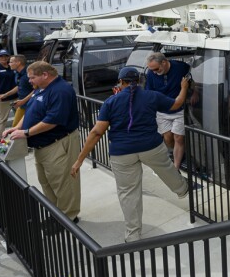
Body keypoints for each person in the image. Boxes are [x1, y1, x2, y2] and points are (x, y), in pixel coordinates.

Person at [71, 66, 191, 242]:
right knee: (166, 168)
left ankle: (133, 234)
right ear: (140, 81)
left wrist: (79, 160)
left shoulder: (110, 102)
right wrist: (184, 88)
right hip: (151, 147)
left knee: (128, 193)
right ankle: (182, 189)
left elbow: (96, 132)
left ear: (121, 82)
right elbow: (177, 103)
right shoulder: (152, 96)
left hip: (122, 153)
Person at [2, 61, 80, 221]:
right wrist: (16, 127)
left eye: (32, 77)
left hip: (58, 143)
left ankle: (68, 218)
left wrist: (27, 132)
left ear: (45, 75)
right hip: (41, 146)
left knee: (63, 183)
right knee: (46, 181)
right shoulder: (40, 89)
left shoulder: (61, 91)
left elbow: (53, 120)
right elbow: (30, 111)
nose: (29, 81)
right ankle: (56, 214)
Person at [144, 52, 191, 169]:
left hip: (179, 110)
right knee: (168, 138)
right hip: (162, 111)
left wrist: (194, 92)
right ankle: (180, 153)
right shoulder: (151, 73)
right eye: (151, 70)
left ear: (164, 63)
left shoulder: (180, 67)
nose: (154, 72)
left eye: (156, 68)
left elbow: (193, 77)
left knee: (178, 137)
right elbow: (149, 92)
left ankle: (176, 166)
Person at [9, 55, 33, 127]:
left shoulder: (29, 74)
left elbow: (37, 89)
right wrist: (5, 95)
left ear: (18, 63)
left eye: (11, 62)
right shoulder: (16, 73)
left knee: (18, 126)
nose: (9, 64)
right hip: (22, 104)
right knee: (16, 125)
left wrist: (23, 101)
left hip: (32, 104)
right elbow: (19, 86)